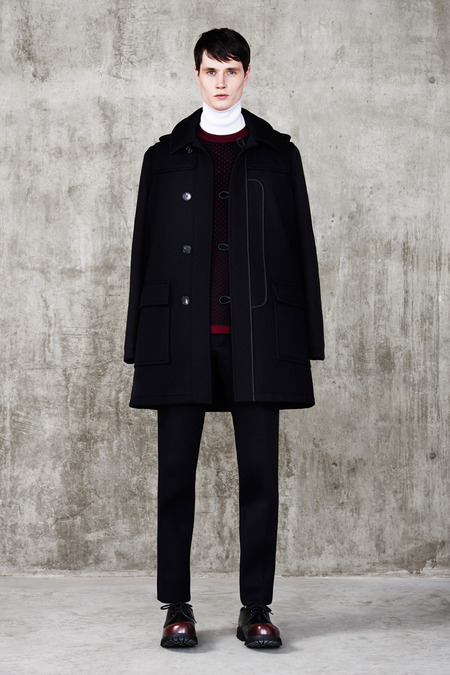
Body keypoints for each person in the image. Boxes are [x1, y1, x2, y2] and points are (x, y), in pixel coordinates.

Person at [124, 27, 324, 649]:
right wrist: (140, 342)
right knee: (175, 478)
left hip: (258, 336)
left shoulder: (277, 154)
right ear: (196, 74)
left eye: (231, 70)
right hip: (180, 334)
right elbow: (144, 252)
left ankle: (256, 607)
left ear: (246, 76)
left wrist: (305, 339)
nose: (220, 82)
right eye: (210, 70)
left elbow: (301, 248)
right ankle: (176, 607)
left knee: (260, 477)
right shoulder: (163, 156)